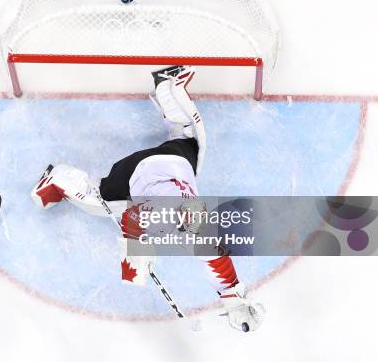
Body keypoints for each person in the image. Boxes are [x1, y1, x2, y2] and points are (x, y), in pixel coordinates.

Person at [30, 66, 265, 332]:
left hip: (174, 159)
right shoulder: (183, 222)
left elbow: (217, 261)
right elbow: (133, 218)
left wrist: (232, 296)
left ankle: (168, 87)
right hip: (130, 174)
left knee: (192, 139)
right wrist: (136, 256)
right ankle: (57, 179)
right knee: (99, 202)